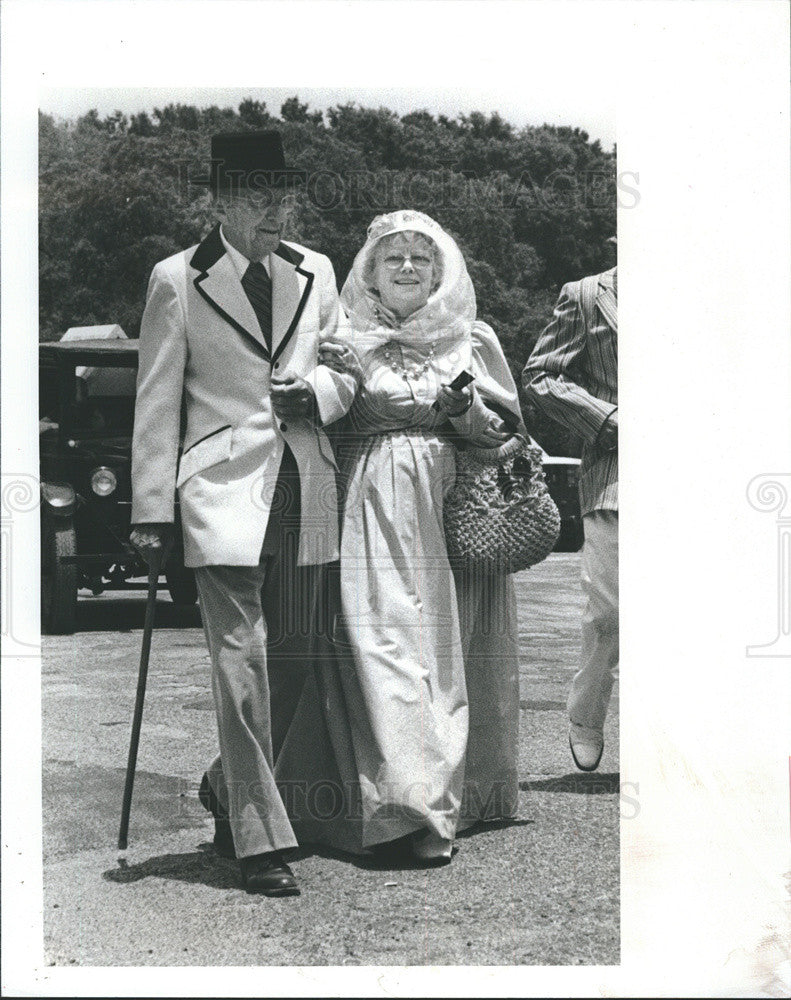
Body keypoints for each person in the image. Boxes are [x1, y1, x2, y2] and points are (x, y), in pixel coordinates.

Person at [129, 132, 356, 896]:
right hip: (219, 488)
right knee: (242, 660)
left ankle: (230, 786)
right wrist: (150, 507)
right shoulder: (176, 278)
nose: (276, 211)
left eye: (284, 197)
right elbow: (157, 396)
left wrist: (319, 395)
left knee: (294, 661)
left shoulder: (314, 269)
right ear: (220, 203)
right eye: (260, 197)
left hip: (307, 481)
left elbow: (345, 366)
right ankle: (260, 842)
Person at [274, 210, 525, 863]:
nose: (408, 267)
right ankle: (405, 809)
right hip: (367, 502)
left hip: (450, 509)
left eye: (421, 257)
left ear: (440, 271)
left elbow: (505, 435)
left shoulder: (470, 341)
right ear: (371, 273)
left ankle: (447, 795)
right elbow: (320, 405)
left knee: (443, 654)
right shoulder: (345, 337)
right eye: (394, 258)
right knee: (384, 645)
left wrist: (462, 407)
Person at [522, 257, 618, 772]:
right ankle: (586, 714)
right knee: (611, 614)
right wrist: (605, 420)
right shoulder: (584, 295)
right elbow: (539, 375)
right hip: (614, 477)